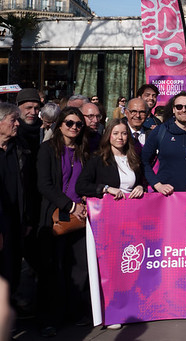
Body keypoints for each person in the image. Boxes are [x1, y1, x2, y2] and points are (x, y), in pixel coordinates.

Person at [36, 107, 91, 335]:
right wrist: (70, 205)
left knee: (79, 268)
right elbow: (44, 185)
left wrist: (86, 199)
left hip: (81, 217)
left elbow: (88, 180)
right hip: (57, 215)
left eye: (79, 124)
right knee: (55, 268)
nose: (74, 127)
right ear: (59, 125)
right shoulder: (47, 150)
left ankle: (75, 312)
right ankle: (51, 318)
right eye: (69, 123)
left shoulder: (85, 150)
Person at [141, 92, 186, 195]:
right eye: (179, 106)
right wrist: (157, 185)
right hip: (165, 198)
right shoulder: (160, 131)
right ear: (173, 109)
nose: (183, 110)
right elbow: (143, 161)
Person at [0, 103, 35, 298]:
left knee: (12, 269)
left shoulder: (19, 149)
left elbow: (27, 186)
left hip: (15, 220)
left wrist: (27, 218)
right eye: (13, 120)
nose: (17, 125)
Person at [76, 118, 145, 200]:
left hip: (130, 206)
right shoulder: (97, 159)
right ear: (108, 135)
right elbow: (81, 186)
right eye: (115, 133)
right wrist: (106, 188)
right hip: (108, 207)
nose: (120, 137)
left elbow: (141, 181)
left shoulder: (134, 158)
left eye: (124, 133)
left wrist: (140, 187)